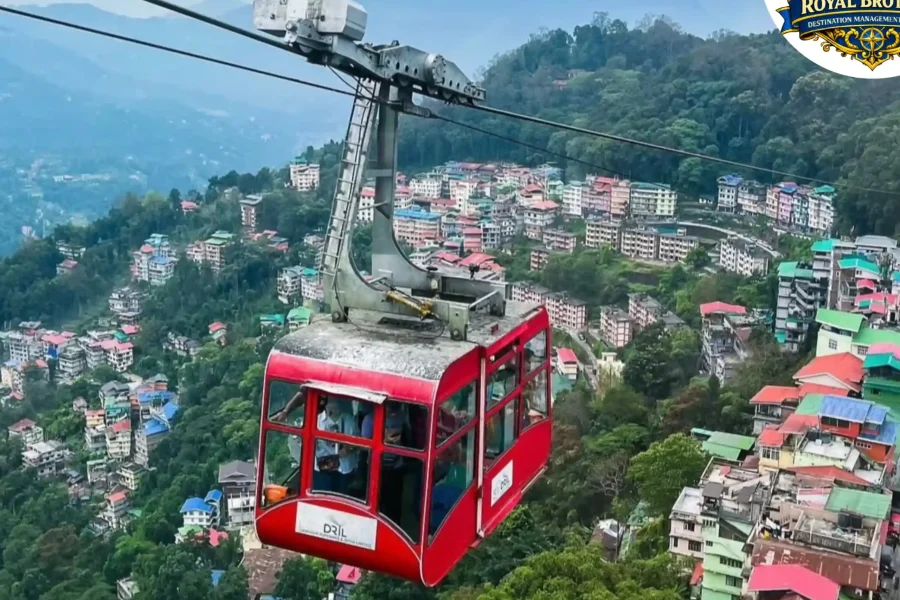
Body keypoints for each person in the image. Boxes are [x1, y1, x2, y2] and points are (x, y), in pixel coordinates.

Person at [314, 398, 361, 496]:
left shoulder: (349, 421)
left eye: (336, 405)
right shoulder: (317, 421)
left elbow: (360, 443)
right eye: (331, 405)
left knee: (342, 496)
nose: (333, 409)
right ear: (325, 406)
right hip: (323, 467)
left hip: (344, 467)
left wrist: (349, 449)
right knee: (324, 496)